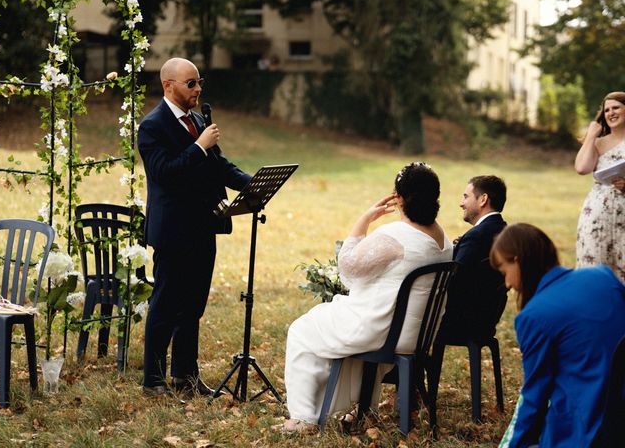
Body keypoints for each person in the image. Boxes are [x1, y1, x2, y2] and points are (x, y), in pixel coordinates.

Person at [283, 162, 453, 432]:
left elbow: (349, 270)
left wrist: (363, 221)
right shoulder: (444, 239)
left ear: (398, 199)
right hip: (416, 334)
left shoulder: (395, 236)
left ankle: (304, 417)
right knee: (332, 328)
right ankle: (363, 411)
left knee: (302, 330)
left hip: (382, 329)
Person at [137, 57, 252, 396]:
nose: (198, 88)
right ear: (168, 86)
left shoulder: (198, 119)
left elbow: (219, 165)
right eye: (191, 83)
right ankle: (153, 380)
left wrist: (252, 184)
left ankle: (184, 375)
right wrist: (199, 146)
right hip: (173, 230)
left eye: (199, 82)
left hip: (205, 225)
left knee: (193, 305)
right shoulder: (152, 126)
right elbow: (165, 172)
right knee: (165, 305)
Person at [491, 223, 625, 448]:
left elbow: (534, 397)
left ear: (518, 260)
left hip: (586, 429)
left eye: (505, 272)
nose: (508, 284)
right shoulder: (603, 277)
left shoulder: (534, 316)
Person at [436, 175, 508, 343]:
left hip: (461, 322)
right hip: (485, 321)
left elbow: (454, 281)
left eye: (466, 196)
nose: (462, 203)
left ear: (483, 199)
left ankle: (408, 368)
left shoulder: (477, 236)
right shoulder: (503, 231)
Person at [575, 91, 625, 282]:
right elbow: (582, 168)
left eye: (616, 108)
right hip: (598, 213)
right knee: (594, 266)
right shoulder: (598, 143)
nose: (611, 113)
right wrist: (591, 135)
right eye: (607, 110)